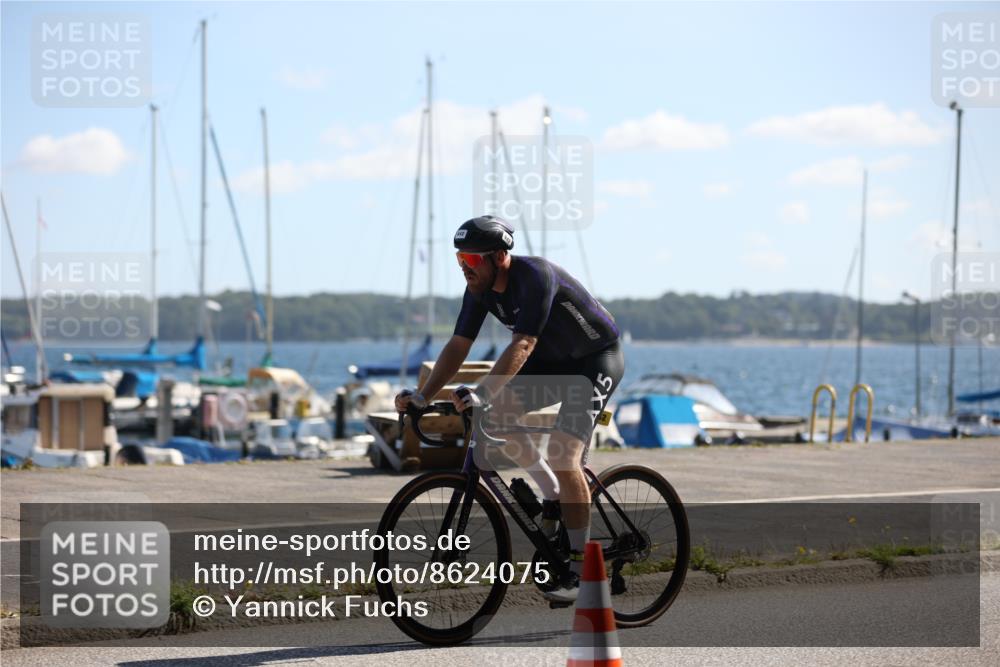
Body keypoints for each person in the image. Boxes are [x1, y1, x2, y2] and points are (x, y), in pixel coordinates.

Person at [395, 215, 624, 603]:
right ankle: (552, 494)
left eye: (471, 259)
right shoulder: (478, 290)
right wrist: (422, 396)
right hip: (552, 362)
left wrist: (483, 391)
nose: (464, 268)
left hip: (594, 359)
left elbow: (522, 346)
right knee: (498, 415)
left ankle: (582, 566)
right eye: (459, 260)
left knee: (564, 455)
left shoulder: (535, 277)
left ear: (499, 256)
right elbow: (457, 347)